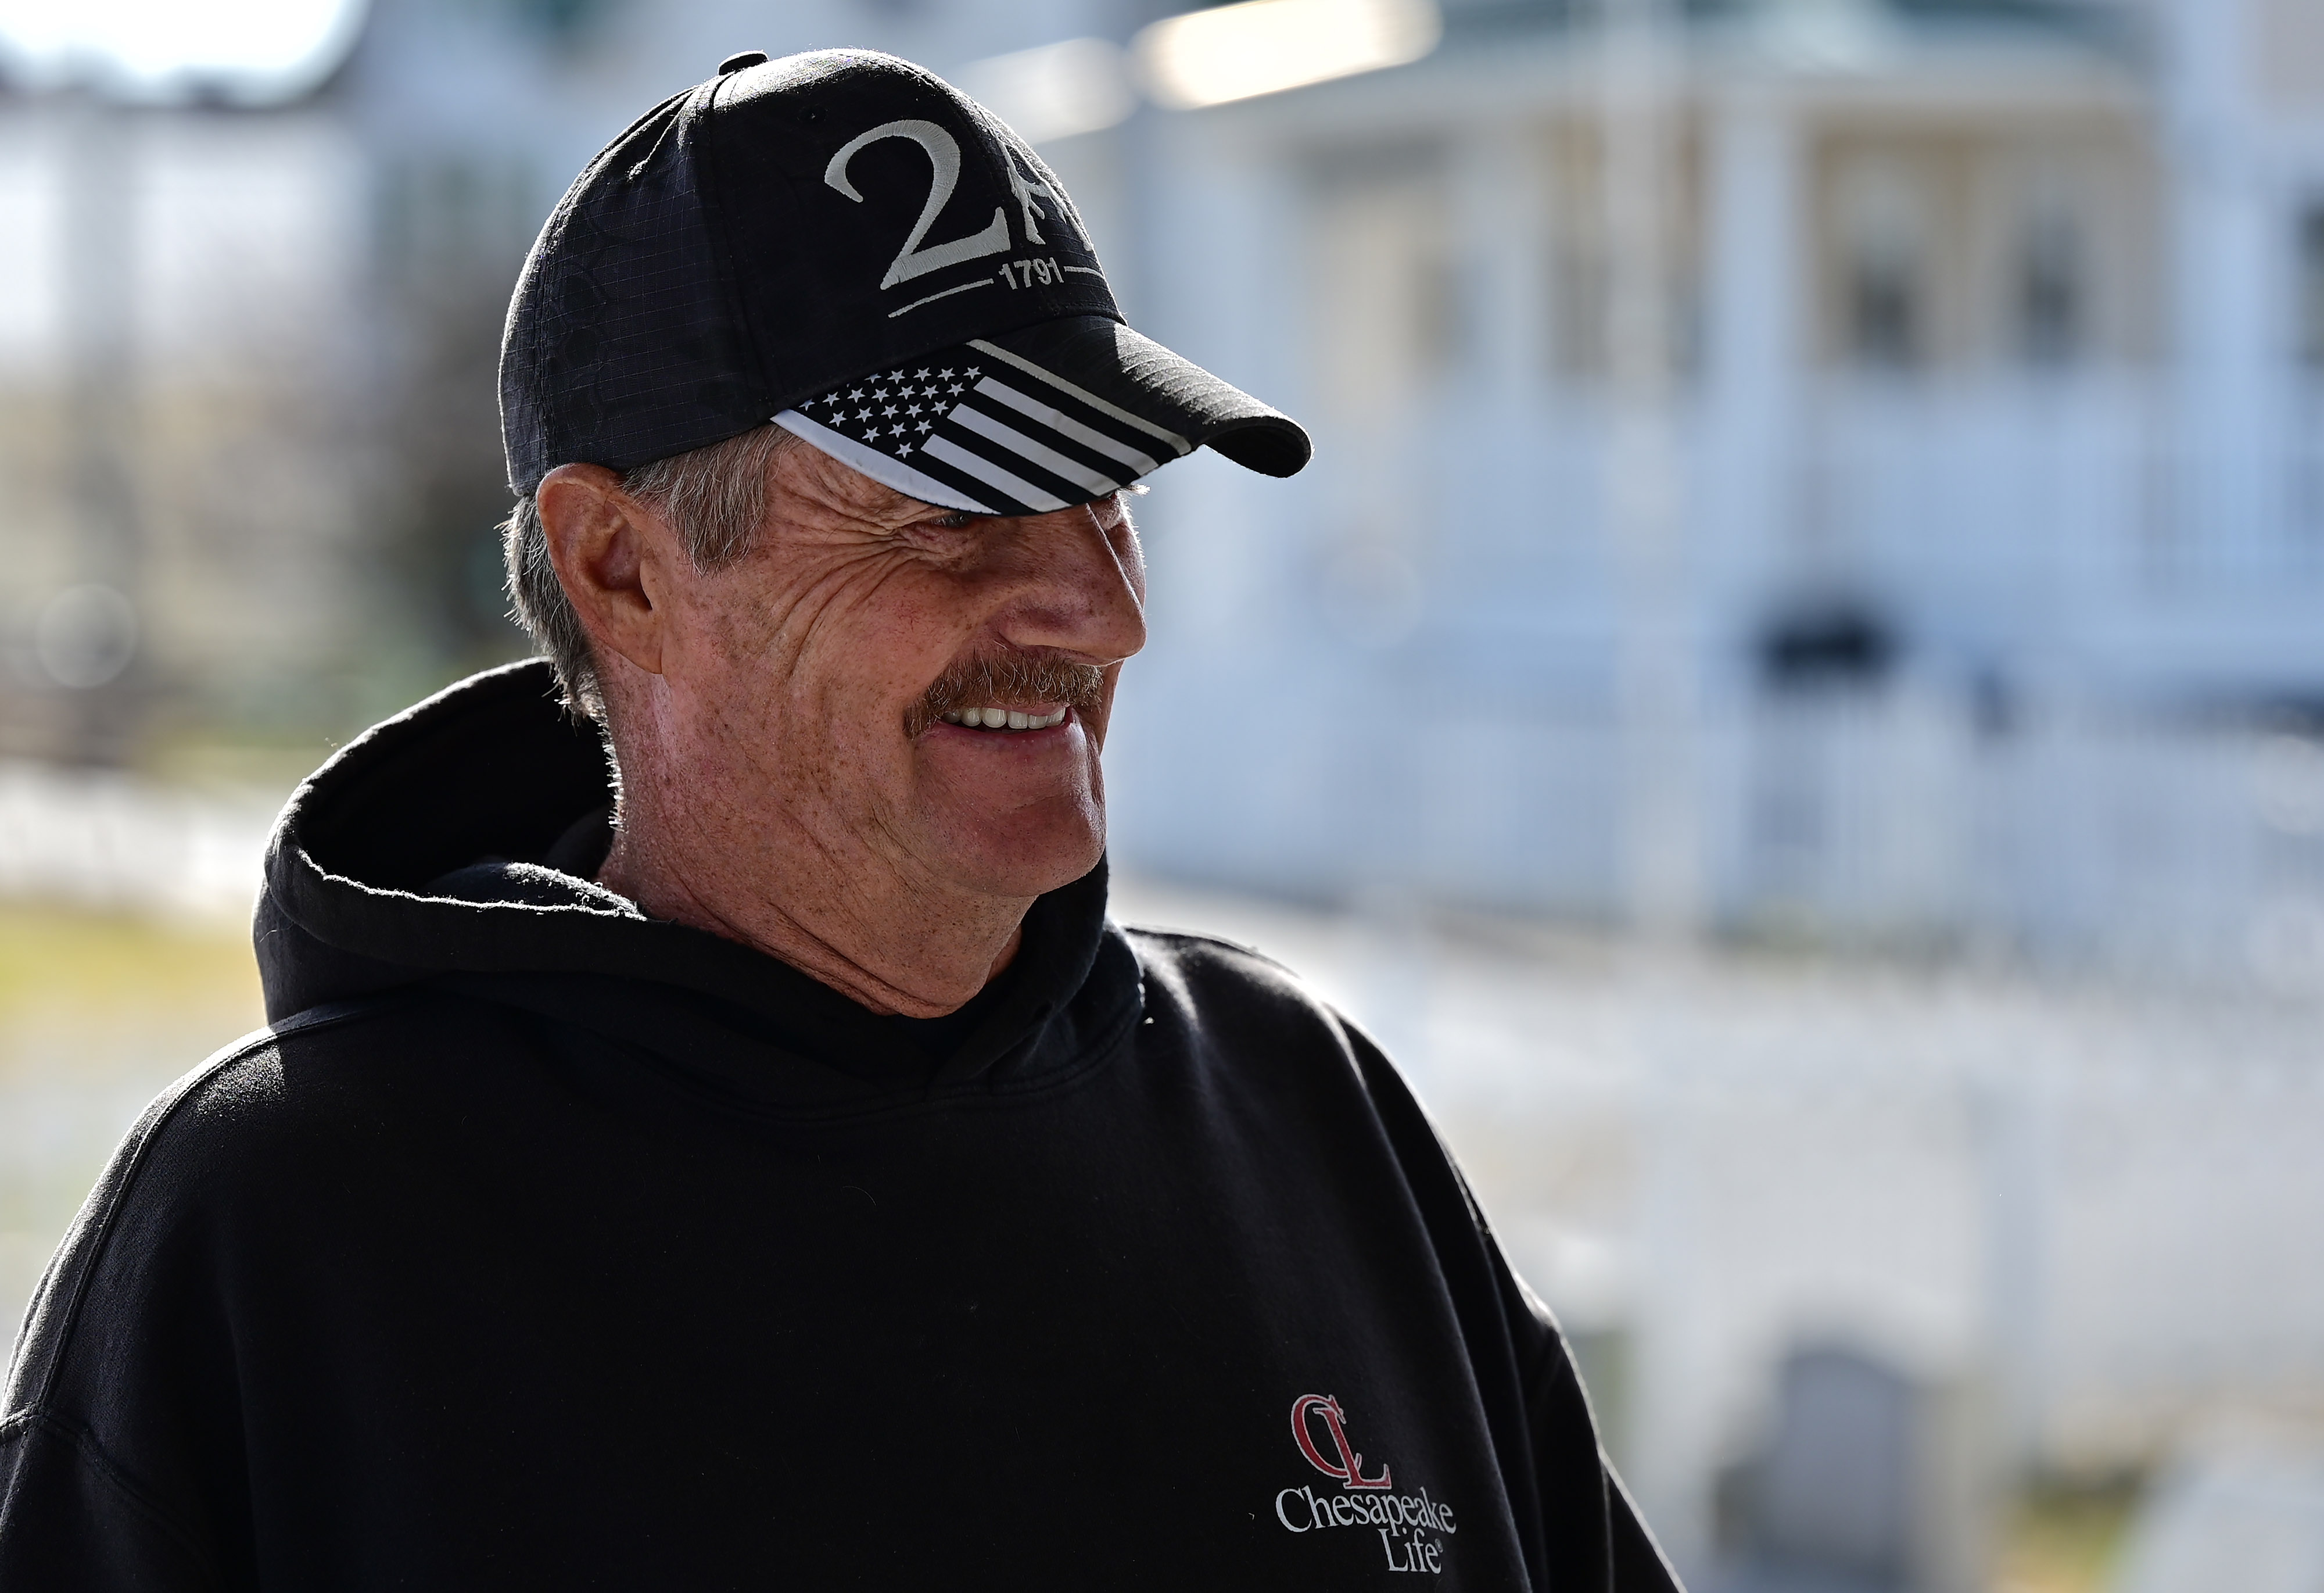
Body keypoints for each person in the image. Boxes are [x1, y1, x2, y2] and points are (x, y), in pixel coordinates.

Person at [0, 48, 1679, 1591]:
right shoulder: (281, 1241)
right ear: (621, 569)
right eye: (958, 517)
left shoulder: (1314, 1119)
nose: (1099, 614)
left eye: (1105, 497)